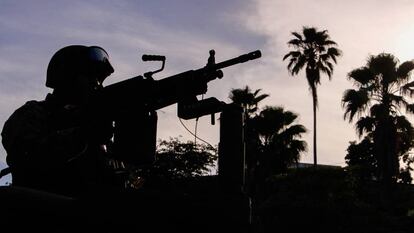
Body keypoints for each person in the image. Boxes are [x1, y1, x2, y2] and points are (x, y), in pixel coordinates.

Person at [1, 45, 122, 197]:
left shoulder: (90, 120)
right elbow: (26, 156)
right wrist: (84, 135)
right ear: (68, 77)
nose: (96, 84)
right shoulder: (32, 113)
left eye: (98, 80)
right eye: (90, 77)